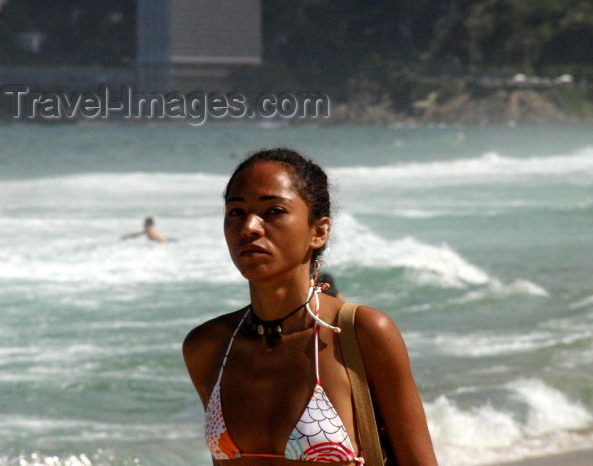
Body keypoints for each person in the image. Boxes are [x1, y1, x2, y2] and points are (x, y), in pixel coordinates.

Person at [183, 148, 437, 465]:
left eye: (273, 211)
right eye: (236, 212)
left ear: (318, 231)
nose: (249, 226)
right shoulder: (209, 346)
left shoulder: (361, 333)